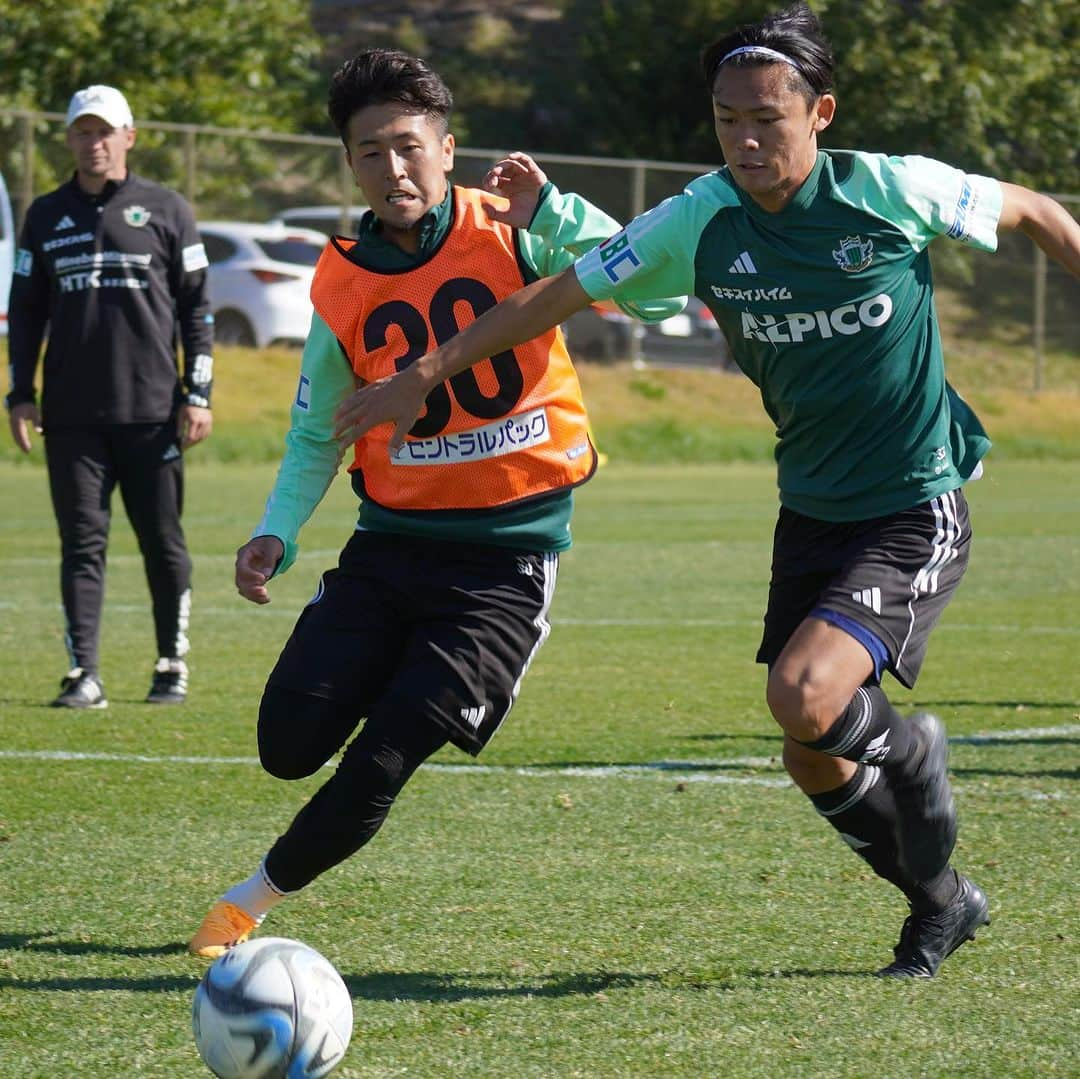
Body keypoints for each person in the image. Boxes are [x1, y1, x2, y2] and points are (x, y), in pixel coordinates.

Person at [336, 6, 1080, 978]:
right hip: (811, 506)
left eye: (767, 117)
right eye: (728, 119)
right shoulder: (699, 216)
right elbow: (552, 296)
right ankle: (941, 900)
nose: (747, 138)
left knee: (806, 694)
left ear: (820, 112)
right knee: (809, 749)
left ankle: (915, 751)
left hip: (914, 496)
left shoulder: (892, 190)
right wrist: (426, 371)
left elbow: (1034, 209)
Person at [188, 49, 682, 957]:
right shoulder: (340, 279)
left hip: (500, 571)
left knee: (385, 754)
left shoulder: (518, 230)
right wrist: (273, 533)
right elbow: (316, 434)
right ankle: (400, 669)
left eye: (409, 146)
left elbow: (663, 297)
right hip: (387, 554)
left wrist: (563, 212)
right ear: (350, 164)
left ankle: (243, 904)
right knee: (286, 742)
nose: (393, 168)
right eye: (369, 151)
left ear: (447, 149)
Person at [6, 84, 214, 708]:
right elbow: (26, 312)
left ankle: (170, 664)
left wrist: (197, 392)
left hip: (152, 415)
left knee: (163, 543)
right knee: (81, 545)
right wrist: (20, 394)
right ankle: (83, 674)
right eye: (82, 132)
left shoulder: (168, 209)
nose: (93, 143)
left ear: (128, 136)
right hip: (70, 420)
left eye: (104, 131)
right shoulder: (43, 215)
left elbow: (197, 310)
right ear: (69, 139)